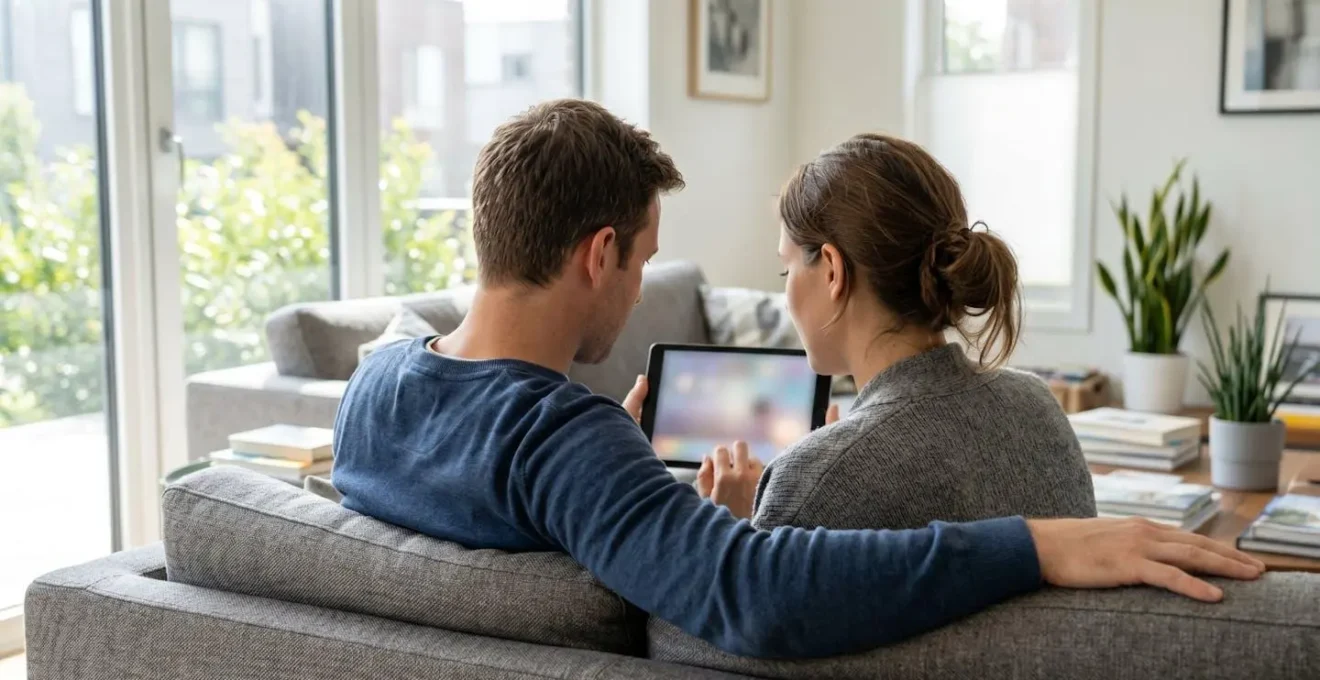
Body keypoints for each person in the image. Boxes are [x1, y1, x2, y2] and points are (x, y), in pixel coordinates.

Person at [332, 98, 1263, 661]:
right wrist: (1037, 544)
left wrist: (616, 472)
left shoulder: (374, 386)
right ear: (600, 253)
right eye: (645, 260)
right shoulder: (569, 446)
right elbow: (753, 592)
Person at [694, 133, 1096, 531]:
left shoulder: (811, 480)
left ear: (833, 271)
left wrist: (735, 529)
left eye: (788, 268)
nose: (786, 290)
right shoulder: (1037, 404)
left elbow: (754, 594)